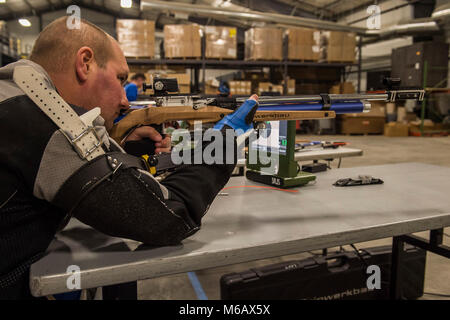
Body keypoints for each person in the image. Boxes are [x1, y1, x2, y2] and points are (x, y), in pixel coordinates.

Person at [0, 17, 258, 299]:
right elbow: (167, 217)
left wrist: (120, 149)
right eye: (120, 78)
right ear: (84, 62)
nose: (125, 100)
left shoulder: (15, 91)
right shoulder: (49, 121)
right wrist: (222, 143)